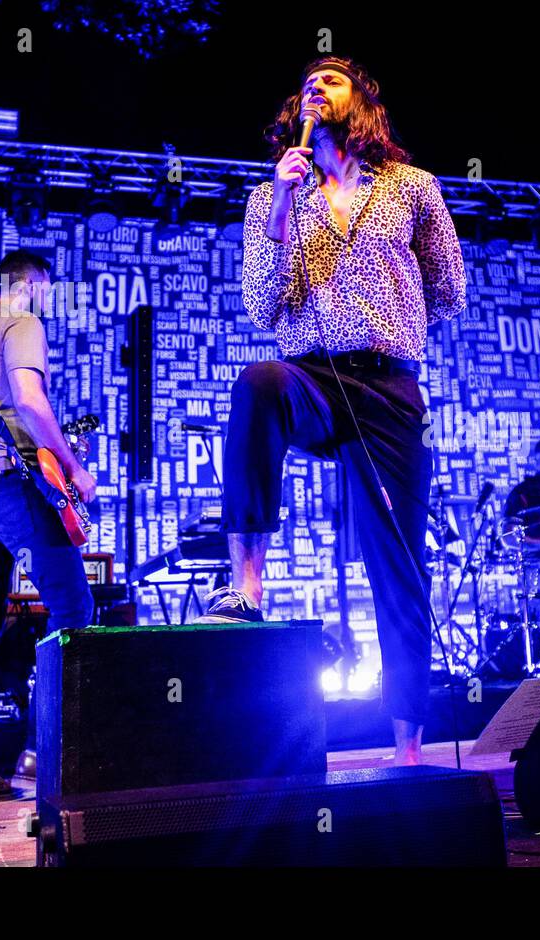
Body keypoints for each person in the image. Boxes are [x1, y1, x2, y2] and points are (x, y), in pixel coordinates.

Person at [198, 57, 466, 767]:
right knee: (258, 383)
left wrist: (393, 328)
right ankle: (247, 582)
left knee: (399, 564)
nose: (318, 86)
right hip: (311, 374)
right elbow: (262, 307)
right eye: (308, 82)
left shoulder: (413, 188)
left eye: (334, 79)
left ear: (363, 103)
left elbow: (449, 288)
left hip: (387, 385)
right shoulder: (270, 197)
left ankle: (407, 744)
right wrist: (284, 206)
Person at [0, 250, 98, 807]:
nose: (49, 302)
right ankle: (44, 753)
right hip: (7, 486)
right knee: (75, 611)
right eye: (48, 291)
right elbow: (29, 400)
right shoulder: (22, 323)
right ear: (31, 286)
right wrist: (74, 466)